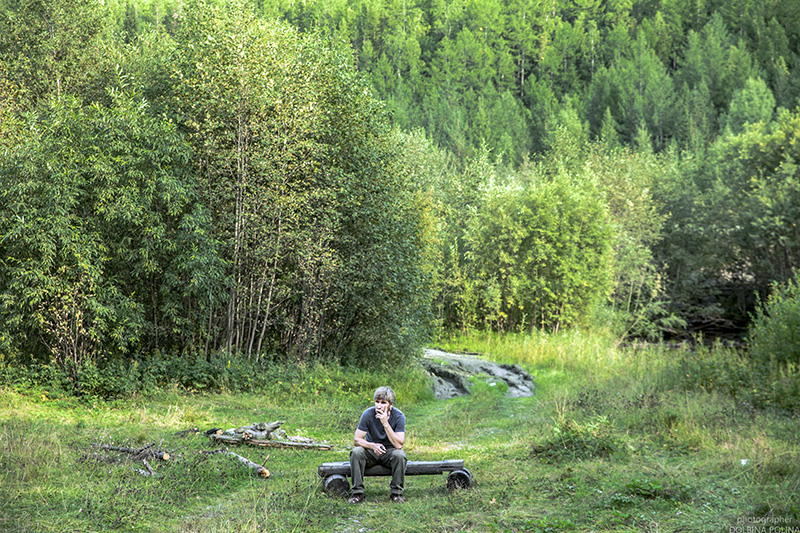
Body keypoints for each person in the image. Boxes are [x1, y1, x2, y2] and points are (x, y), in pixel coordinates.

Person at [348, 386, 407, 503]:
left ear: (391, 404)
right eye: (377, 402)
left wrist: (385, 423)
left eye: (383, 403)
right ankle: (357, 493)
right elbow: (357, 440)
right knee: (356, 452)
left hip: (389, 452)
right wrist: (372, 446)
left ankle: (396, 493)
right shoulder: (368, 414)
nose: (379, 406)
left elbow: (399, 445)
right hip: (372, 451)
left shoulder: (399, 416)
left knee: (400, 455)